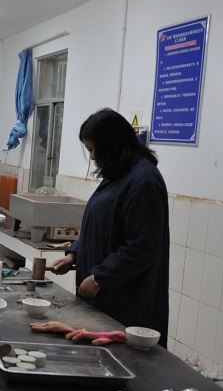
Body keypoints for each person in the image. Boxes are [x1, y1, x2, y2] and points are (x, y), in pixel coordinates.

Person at [51, 108, 169, 347]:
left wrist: (100, 279)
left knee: (123, 361)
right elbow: (103, 228)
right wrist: (75, 253)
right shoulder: (118, 173)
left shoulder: (143, 182)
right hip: (105, 300)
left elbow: (141, 247)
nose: (93, 157)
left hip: (126, 303)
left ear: (112, 144)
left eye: (93, 149)